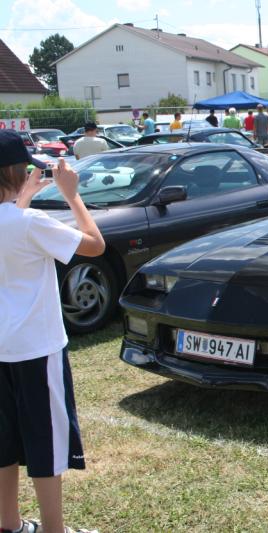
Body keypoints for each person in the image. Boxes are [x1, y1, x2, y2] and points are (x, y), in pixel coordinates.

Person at [0, 130, 105, 533]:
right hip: (36, 349)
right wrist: (72, 195)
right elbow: (94, 244)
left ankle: (9, 524)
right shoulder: (30, 223)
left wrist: (21, 199)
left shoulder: (21, 220)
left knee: (4, 441)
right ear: (15, 172)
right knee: (46, 442)